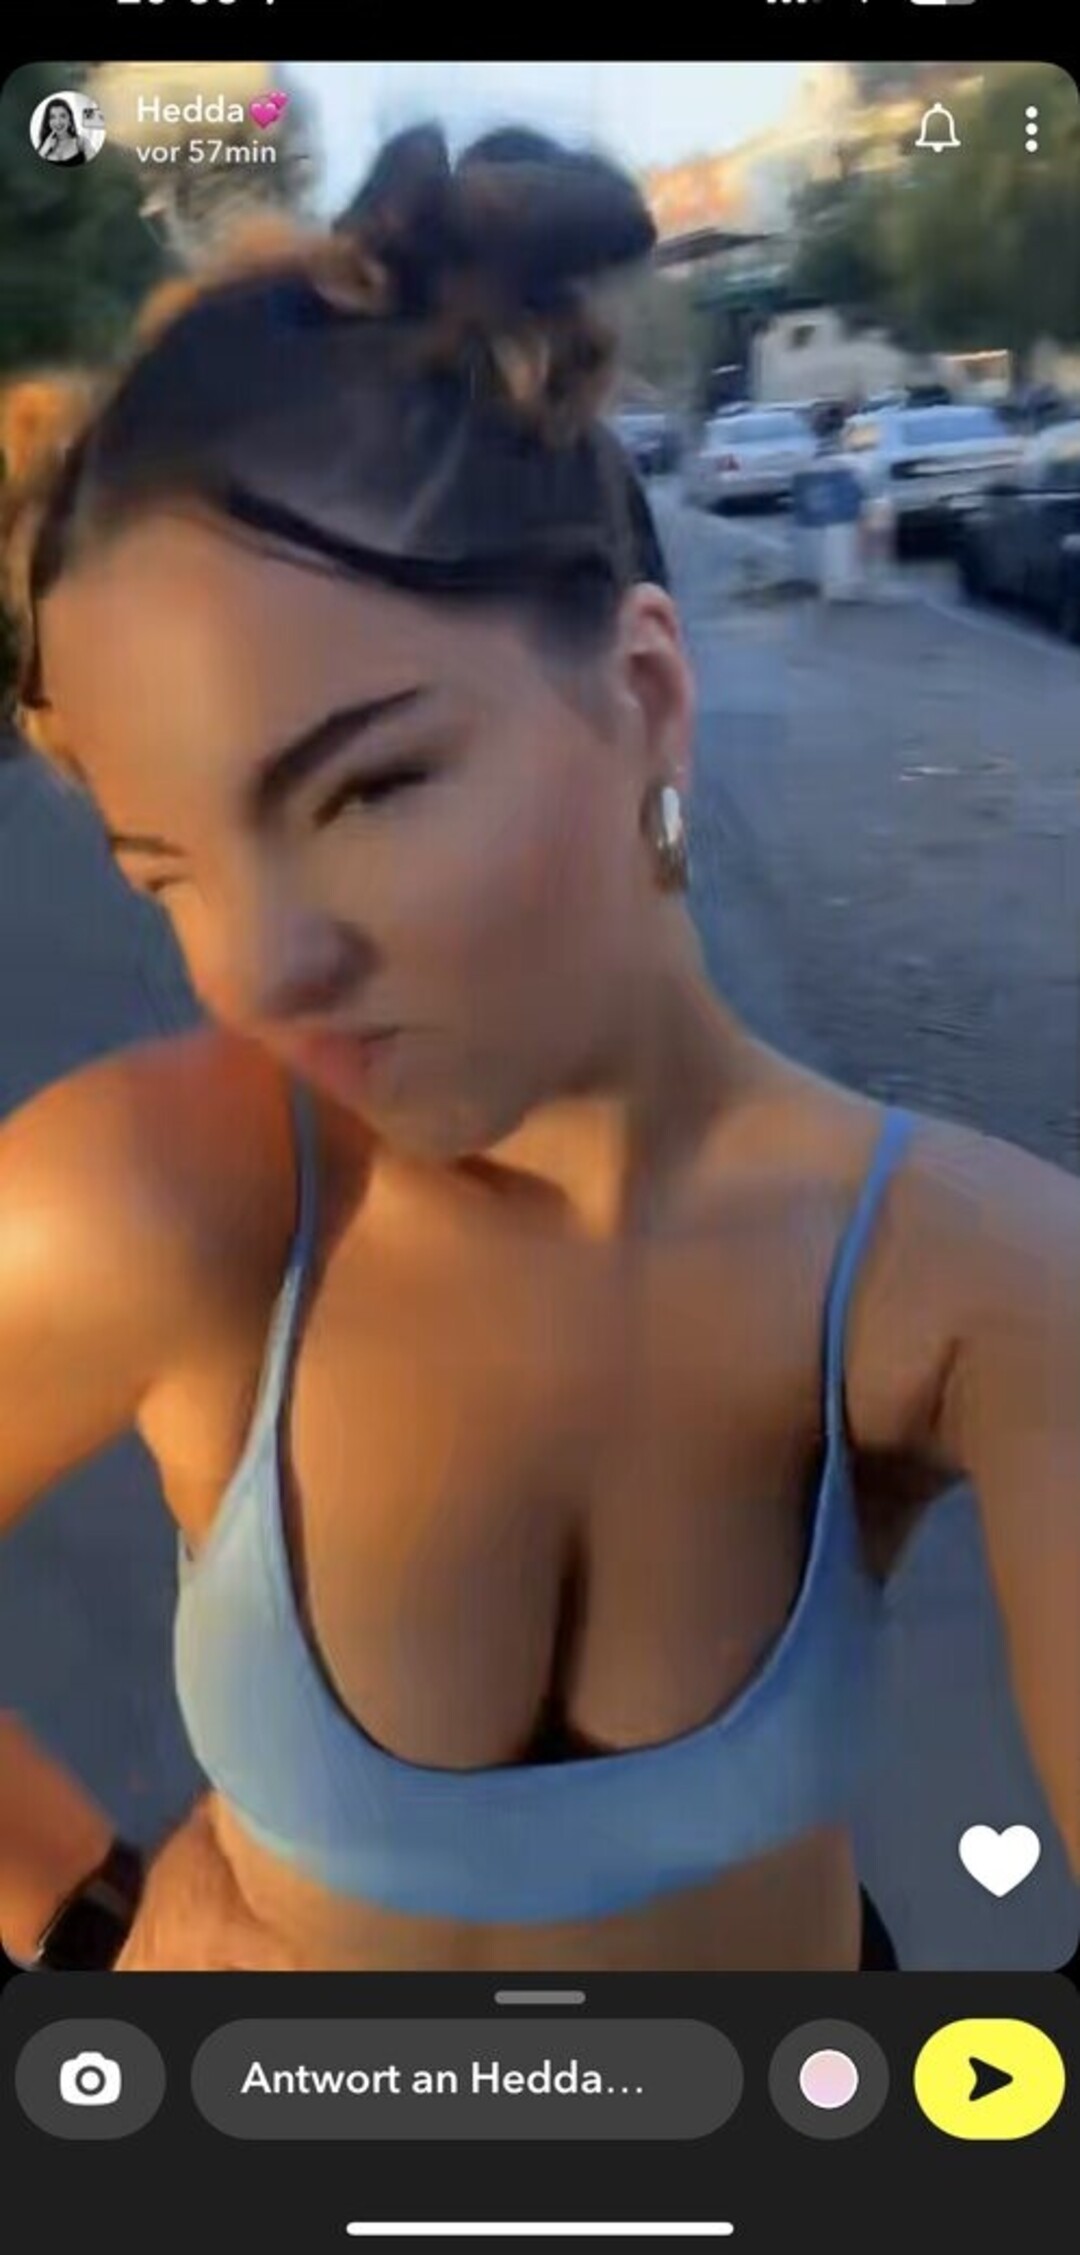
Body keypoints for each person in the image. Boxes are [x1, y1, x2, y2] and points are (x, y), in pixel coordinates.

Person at [0, 123, 1077, 1976]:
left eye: (366, 789)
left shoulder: (970, 1280)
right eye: (166, 868)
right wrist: (89, 1928)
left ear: (643, 692)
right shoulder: (164, 1205)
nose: (260, 969)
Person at [36, 97, 89, 168]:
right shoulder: (43, 147)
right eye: (52, 117)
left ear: (70, 119)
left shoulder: (81, 142)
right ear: (48, 121)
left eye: (63, 116)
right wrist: (43, 150)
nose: (58, 122)